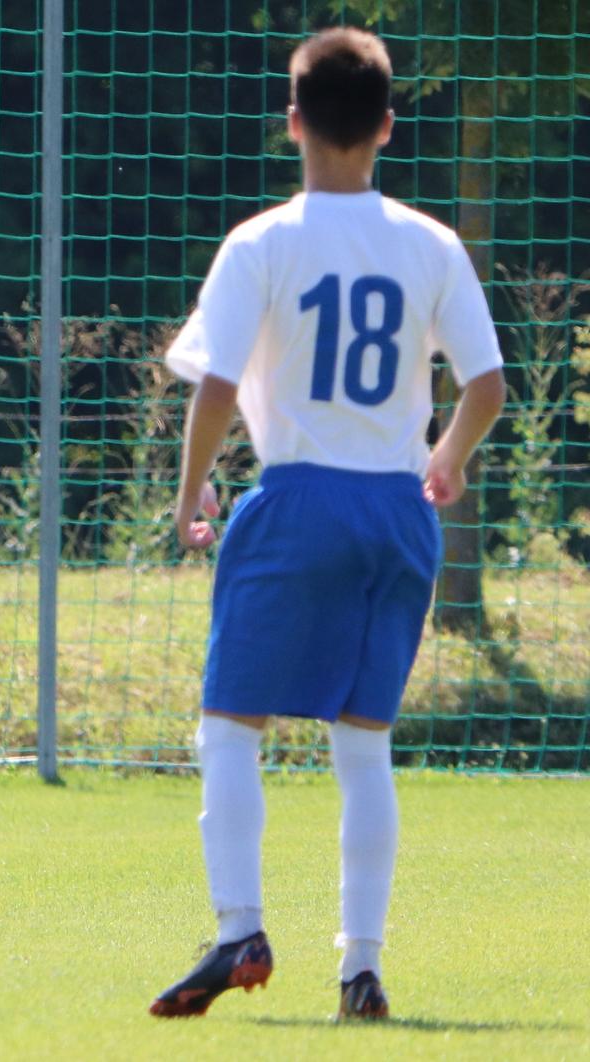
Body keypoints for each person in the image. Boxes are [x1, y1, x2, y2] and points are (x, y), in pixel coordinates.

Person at [148, 28, 505, 1020]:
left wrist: (191, 491)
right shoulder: (431, 243)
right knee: (363, 744)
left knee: (230, 726)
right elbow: (486, 384)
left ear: (293, 121)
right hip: (397, 510)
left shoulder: (263, 241)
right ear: (388, 125)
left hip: (300, 497)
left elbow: (217, 384)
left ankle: (240, 929)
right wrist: (446, 459)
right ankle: (363, 968)